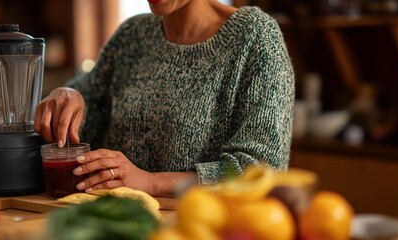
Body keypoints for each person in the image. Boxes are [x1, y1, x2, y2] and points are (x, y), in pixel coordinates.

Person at [34, 0, 294, 197]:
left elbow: (260, 172)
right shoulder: (132, 36)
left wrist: (149, 182)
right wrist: (69, 95)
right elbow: (88, 102)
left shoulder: (255, 38)